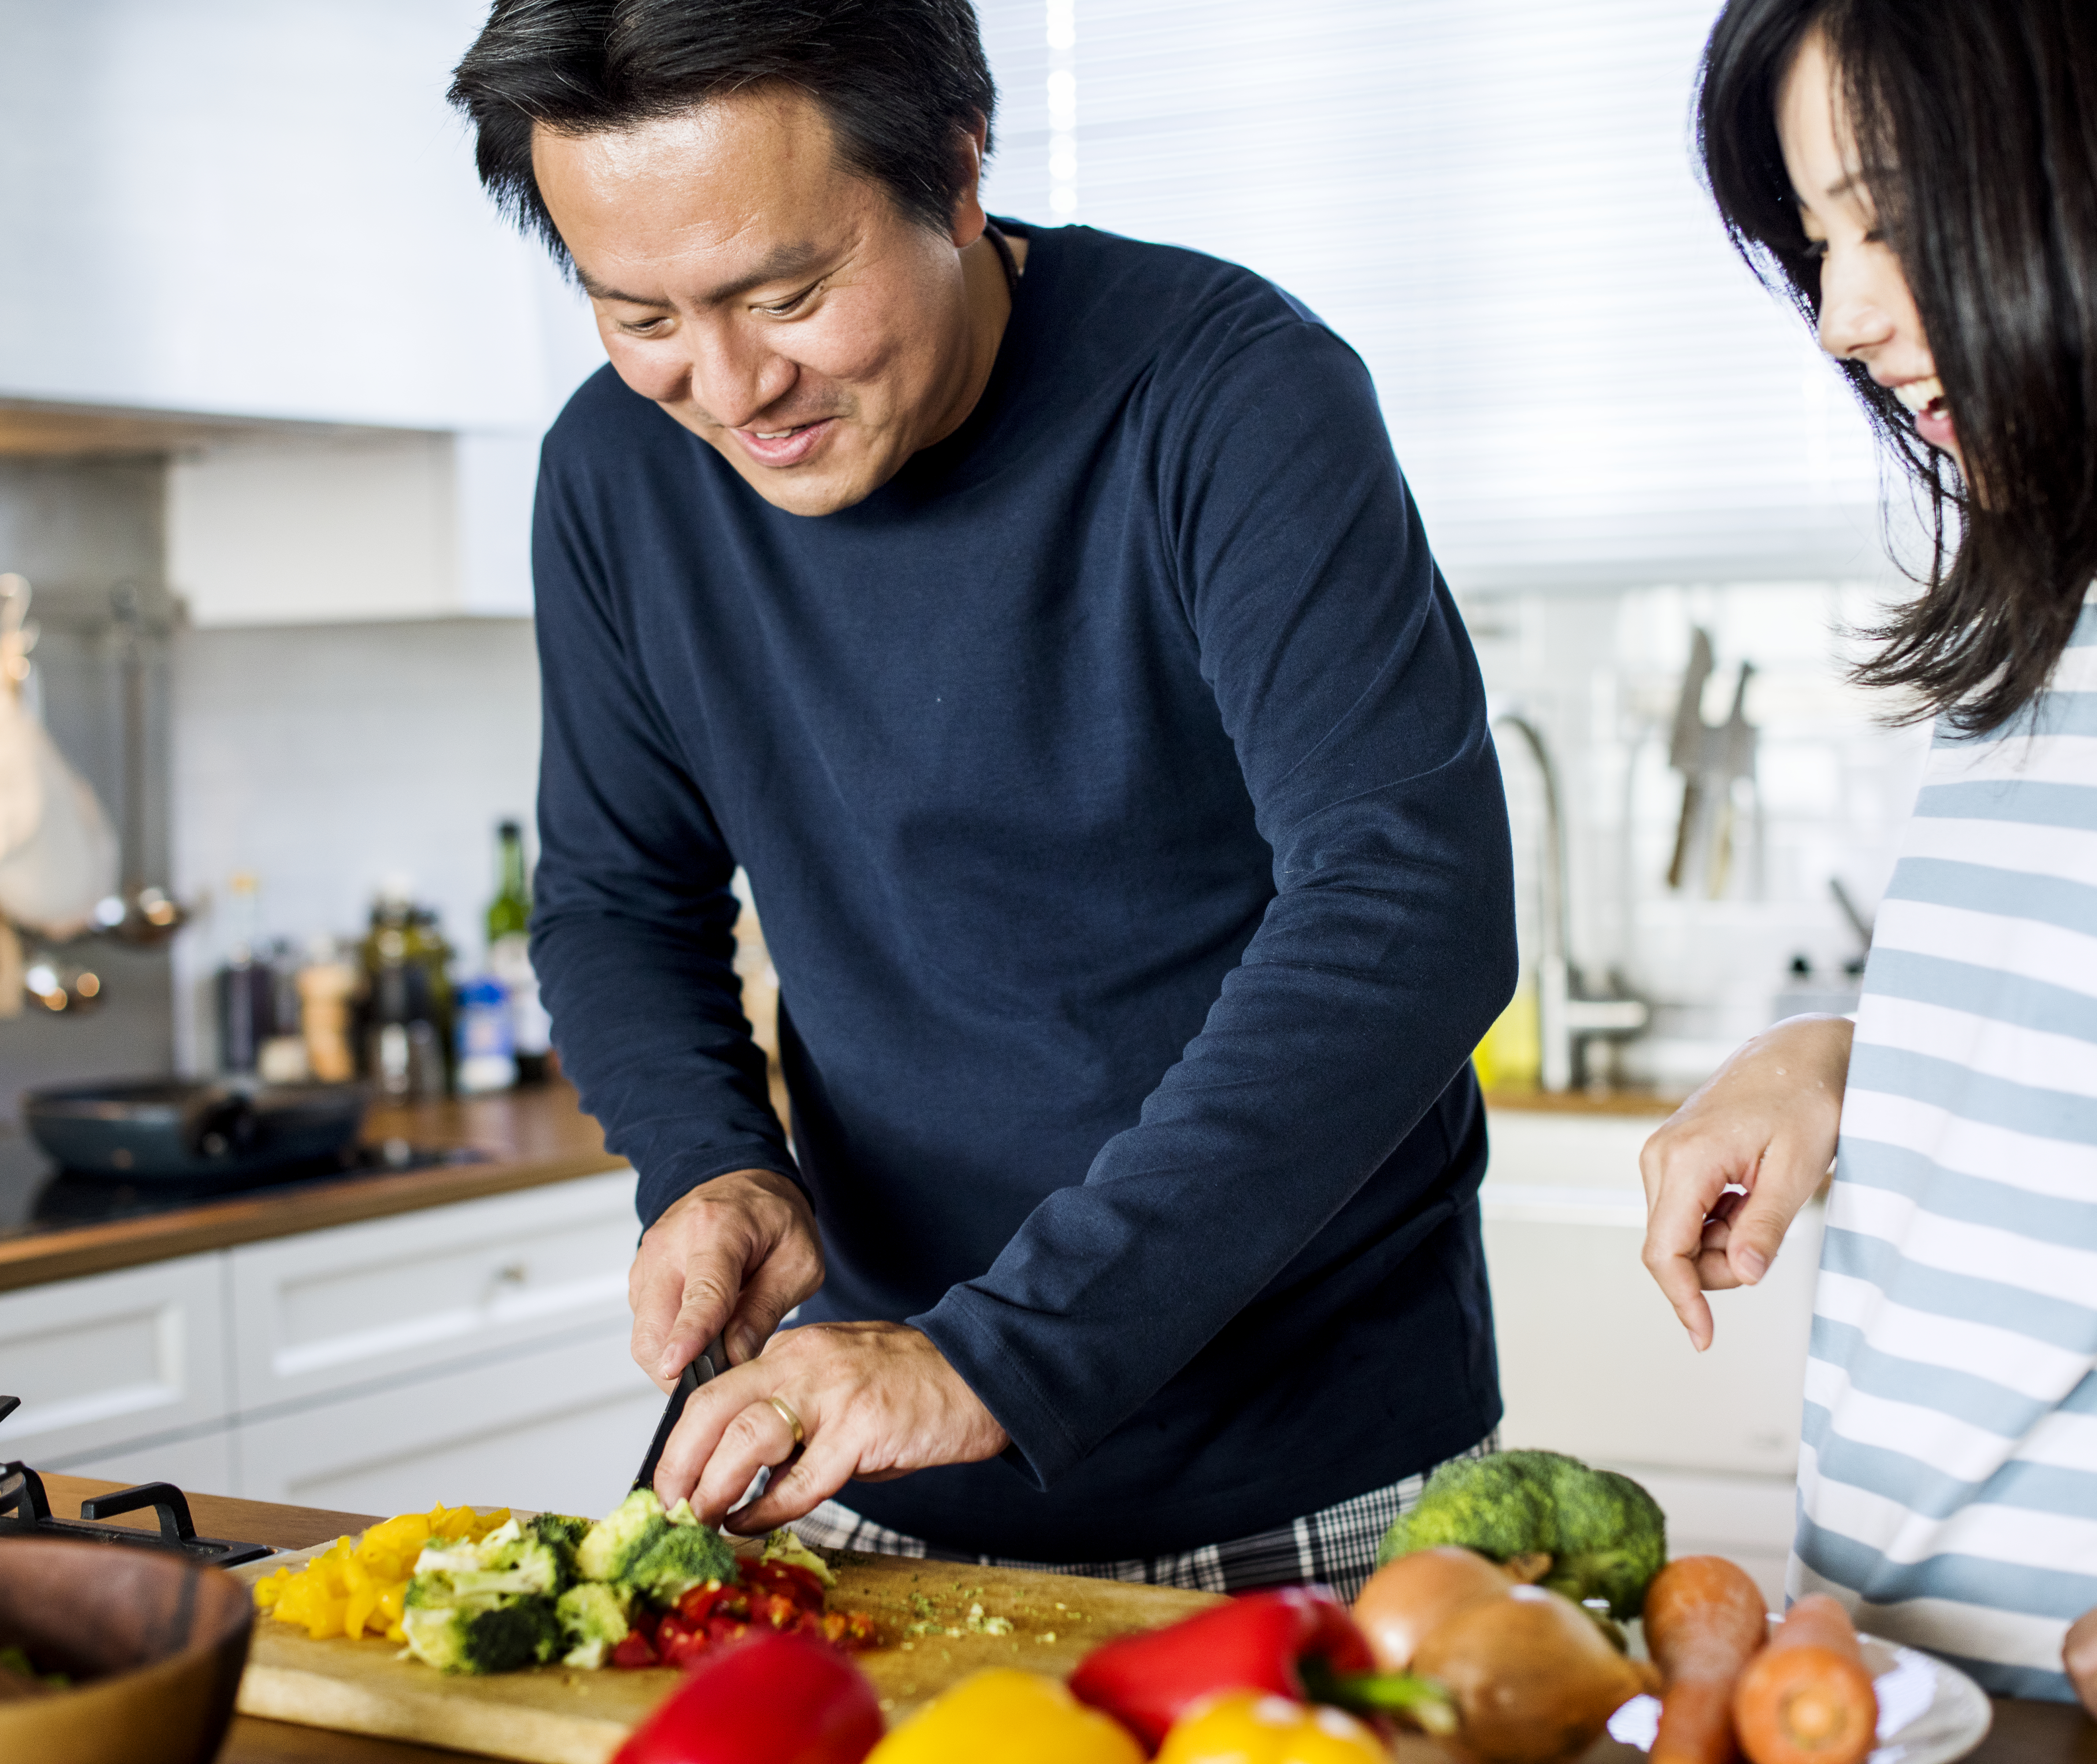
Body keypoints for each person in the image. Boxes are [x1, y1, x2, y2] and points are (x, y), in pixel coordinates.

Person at [446, 0, 1513, 1596]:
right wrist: (710, 1161)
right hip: (877, 1462)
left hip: (1316, 1480)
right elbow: (616, 896)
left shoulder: (1230, 397)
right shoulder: (610, 471)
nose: (733, 386)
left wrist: (995, 1360)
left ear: (957, 169)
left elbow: (1408, 907)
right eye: (639, 312)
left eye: (788, 295)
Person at [1648, 0, 2097, 1736]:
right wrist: (1847, 1061)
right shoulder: (2070, 616)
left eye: (1901, 221)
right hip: (1929, 1700)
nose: (1847, 314)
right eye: (1823, 239)